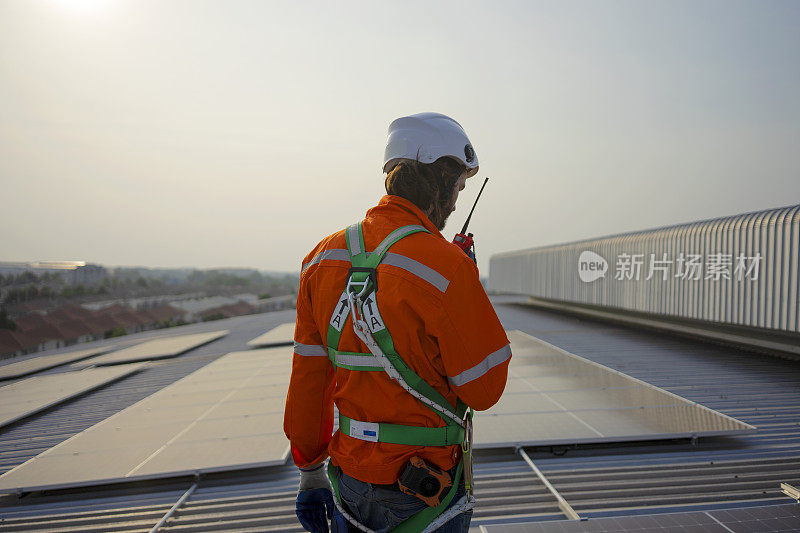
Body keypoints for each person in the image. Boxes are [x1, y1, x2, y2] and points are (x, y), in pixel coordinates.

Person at [284, 112, 511, 533]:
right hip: (425, 492)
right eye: (459, 186)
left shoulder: (321, 259)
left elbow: (309, 380)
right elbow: (484, 388)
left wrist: (310, 474)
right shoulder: (446, 268)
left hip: (348, 485)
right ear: (441, 177)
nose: (458, 200)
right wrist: (466, 289)